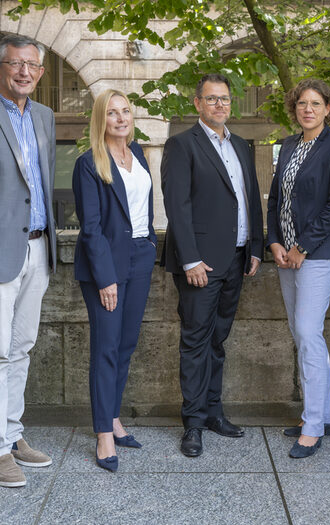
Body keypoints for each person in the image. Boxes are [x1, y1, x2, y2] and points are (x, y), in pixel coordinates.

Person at [161, 73, 263, 457]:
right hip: (200, 264)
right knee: (195, 342)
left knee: (218, 342)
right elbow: (177, 206)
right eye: (211, 99)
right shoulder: (181, 145)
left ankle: (214, 412)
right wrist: (190, 258)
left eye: (224, 99)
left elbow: (249, 198)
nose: (219, 105)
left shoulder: (240, 144)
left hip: (237, 259)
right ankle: (193, 424)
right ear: (197, 103)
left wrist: (254, 248)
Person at [267, 79, 330, 458]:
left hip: (317, 253)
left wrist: (302, 246)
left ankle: (314, 425)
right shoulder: (288, 145)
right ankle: (327, 415)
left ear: (328, 109)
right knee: (304, 335)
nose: (308, 109)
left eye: (316, 104)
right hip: (285, 254)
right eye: (302, 103)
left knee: (307, 331)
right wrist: (273, 241)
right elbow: (275, 198)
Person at [73, 89, 157, 472]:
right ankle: (103, 433)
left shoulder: (137, 154)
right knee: (106, 348)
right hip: (106, 266)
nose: (121, 118)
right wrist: (105, 278)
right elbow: (90, 229)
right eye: (112, 113)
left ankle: (115, 417)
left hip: (140, 257)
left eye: (125, 111)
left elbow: (143, 208)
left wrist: (151, 245)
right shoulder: (89, 163)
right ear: (100, 120)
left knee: (126, 345)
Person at [0, 35, 56, 488]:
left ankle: (12, 434)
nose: (24, 72)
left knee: (21, 348)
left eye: (32, 66)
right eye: (16, 63)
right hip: (0, 251)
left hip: (38, 247)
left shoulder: (44, 116)